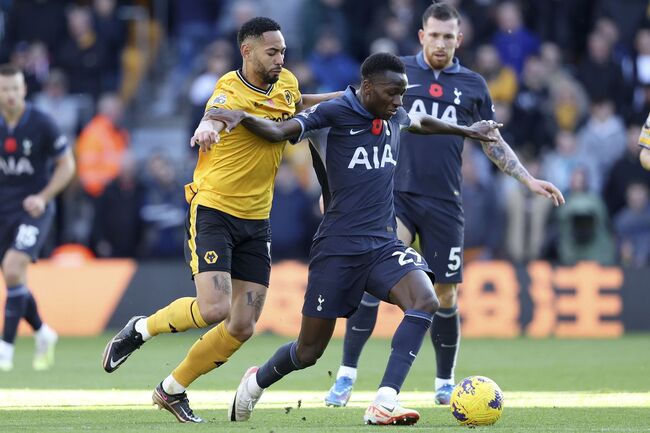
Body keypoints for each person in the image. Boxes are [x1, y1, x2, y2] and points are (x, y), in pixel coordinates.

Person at [208, 52, 499, 426]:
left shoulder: (395, 114)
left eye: (402, 94)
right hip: (337, 249)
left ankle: (384, 400)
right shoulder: (334, 115)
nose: (398, 102)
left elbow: (421, 120)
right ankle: (256, 382)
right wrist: (242, 116)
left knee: (425, 299)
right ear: (367, 88)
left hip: (382, 243)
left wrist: (468, 131)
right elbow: (281, 131)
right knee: (308, 350)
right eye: (392, 94)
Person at [323, 2, 565, 408]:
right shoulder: (396, 72)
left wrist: (527, 178)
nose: (440, 43)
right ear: (421, 36)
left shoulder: (473, 85)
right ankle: (346, 376)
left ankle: (444, 380)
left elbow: (492, 141)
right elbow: (351, 115)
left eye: (447, 36)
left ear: (459, 39)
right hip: (394, 195)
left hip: (445, 202)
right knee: (370, 278)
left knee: (447, 295)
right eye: (433, 35)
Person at [101, 17, 341, 423]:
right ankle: (141, 329)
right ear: (246, 51)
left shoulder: (287, 83)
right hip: (214, 209)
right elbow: (214, 115)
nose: (280, 58)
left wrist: (351, 97)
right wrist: (206, 130)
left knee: (243, 325)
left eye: (282, 51)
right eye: (272, 52)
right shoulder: (228, 88)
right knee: (214, 310)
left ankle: (172, 389)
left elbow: (296, 103)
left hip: (256, 220)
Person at [0, 64, 75, 371]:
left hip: (34, 210)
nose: (10, 95)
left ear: (24, 90)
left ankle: (5, 349)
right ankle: (43, 332)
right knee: (13, 277)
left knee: (13, 267)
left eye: (15, 88)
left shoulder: (42, 122)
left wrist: (43, 197)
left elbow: (67, 165)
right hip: (3, 209)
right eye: (5, 89)